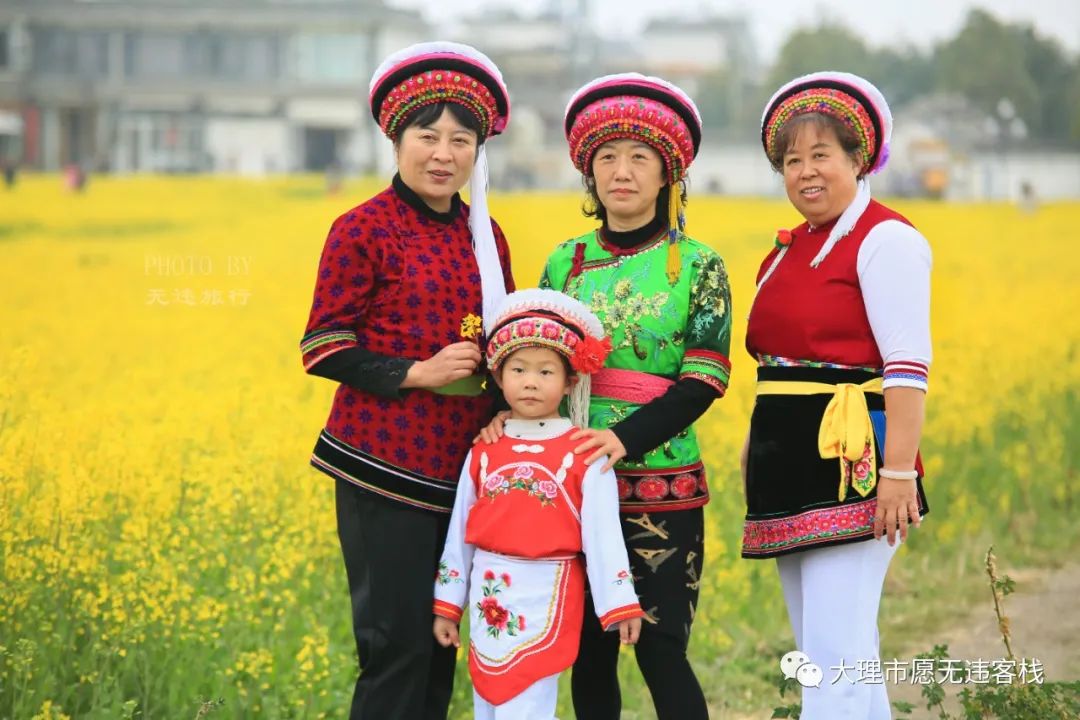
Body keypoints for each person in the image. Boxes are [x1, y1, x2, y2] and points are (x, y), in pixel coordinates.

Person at [482, 73, 731, 720]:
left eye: (640, 158)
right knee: (588, 653)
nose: (622, 172)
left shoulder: (700, 264)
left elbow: (705, 377)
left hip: (663, 481)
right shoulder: (564, 263)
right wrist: (501, 424)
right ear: (589, 174)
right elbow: (530, 362)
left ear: (667, 172)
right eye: (607, 159)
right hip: (567, 479)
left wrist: (624, 439)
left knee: (661, 648)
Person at [299, 41, 514, 720]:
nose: (443, 153)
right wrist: (417, 373)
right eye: (428, 136)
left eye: (460, 139)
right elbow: (323, 346)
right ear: (396, 139)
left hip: (462, 473)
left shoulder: (487, 236)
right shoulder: (361, 228)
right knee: (395, 650)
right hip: (381, 470)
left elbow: (507, 338)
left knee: (441, 646)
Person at [743, 71, 932, 719]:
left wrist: (899, 472)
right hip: (786, 463)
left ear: (859, 159)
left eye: (821, 155)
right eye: (791, 161)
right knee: (833, 652)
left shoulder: (887, 240)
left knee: (833, 656)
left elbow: (908, 366)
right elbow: (772, 365)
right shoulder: (788, 250)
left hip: (853, 465)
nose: (805, 173)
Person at [433, 288, 645, 720]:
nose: (531, 381)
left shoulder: (583, 454)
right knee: (486, 706)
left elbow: (604, 537)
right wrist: (449, 604)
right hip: (490, 590)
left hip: (546, 591)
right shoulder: (485, 450)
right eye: (518, 369)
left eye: (546, 371)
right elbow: (460, 533)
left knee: (526, 706)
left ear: (570, 381)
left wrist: (619, 603)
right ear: (499, 377)